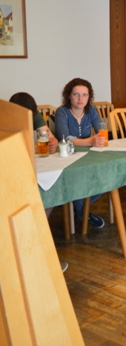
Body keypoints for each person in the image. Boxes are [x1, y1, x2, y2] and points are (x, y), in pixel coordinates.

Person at [9, 92, 68, 274]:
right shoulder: (6, 116)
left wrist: (52, 143)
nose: (30, 118)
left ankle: (36, 245)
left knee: (48, 190)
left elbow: (49, 137)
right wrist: (34, 148)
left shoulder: (32, 114)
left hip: (28, 166)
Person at [55, 78, 106, 228]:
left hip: (89, 154)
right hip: (66, 156)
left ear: (89, 97)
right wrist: (90, 141)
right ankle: (83, 212)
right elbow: (64, 138)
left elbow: (101, 130)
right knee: (75, 179)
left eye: (85, 95)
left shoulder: (91, 110)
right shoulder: (62, 112)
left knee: (106, 175)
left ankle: (79, 209)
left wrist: (98, 139)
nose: (80, 98)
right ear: (68, 96)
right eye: (76, 94)